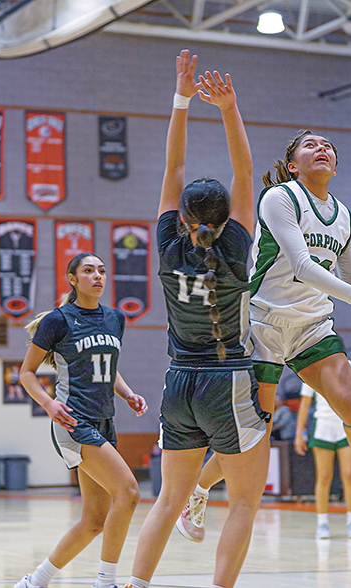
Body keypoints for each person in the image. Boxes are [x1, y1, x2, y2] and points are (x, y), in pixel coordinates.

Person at [176, 128, 351, 540]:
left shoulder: (344, 214)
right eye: (311, 145)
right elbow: (302, 265)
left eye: (328, 146)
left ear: (335, 164)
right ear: (292, 165)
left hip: (312, 324)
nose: (322, 148)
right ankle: (198, 493)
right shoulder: (280, 198)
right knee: (255, 432)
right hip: (264, 321)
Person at [124, 51, 268, 588]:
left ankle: (135, 584)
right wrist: (228, 108)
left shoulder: (166, 246)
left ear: (181, 218)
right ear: (226, 214)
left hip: (177, 383)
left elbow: (173, 170)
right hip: (226, 380)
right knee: (245, 503)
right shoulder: (235, 244)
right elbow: (246, 172)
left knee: (168, 500)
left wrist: (182, 96)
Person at [14, 252, 147, 588]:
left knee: (94, 521)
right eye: (89, 271)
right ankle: (106, 582)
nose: (98, 276)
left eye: (101, 271)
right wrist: (47, 403)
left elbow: (106, 366)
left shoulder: (116, 318)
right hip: (74, 421)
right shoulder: (58, 320)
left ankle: (34, 581)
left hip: (104, 420)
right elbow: (26, 373)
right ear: (72, 279)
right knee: (129, 492)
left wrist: (128, 393)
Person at [294, 360, 351, 540]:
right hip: (323, 424)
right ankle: (322, 522)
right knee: (324, 476)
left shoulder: (350, 365)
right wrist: (299, 434)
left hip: (345, 423)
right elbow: (305, 403)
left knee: (348, 474)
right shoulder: (309, 366)